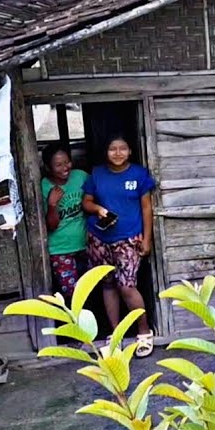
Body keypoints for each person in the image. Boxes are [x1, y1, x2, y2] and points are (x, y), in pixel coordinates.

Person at [82, 135, 156, 356]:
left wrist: (147, 240)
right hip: (99, 238)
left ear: (130, 151)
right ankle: (116, 334)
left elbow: (146, 209)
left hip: (128, 238)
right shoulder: (97, 174)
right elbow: (86, 202)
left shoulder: (139, 174)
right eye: (112, 149)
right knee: (107, 284)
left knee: (127, 286)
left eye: (122, 148)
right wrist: (98, 209)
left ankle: (144, 331)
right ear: (106, 152)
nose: (117, 153)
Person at [41, 144, 89, 301]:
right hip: (60, 250)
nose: (65, 168)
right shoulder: (43, 187)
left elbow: (96, 198)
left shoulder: (80, 177)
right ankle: (76, 325)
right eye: (58, 165)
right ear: (48, 167)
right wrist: (52, 205)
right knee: (73, 296)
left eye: (67, 162)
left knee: (91, 290)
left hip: (85, 245)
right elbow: (51, 226)